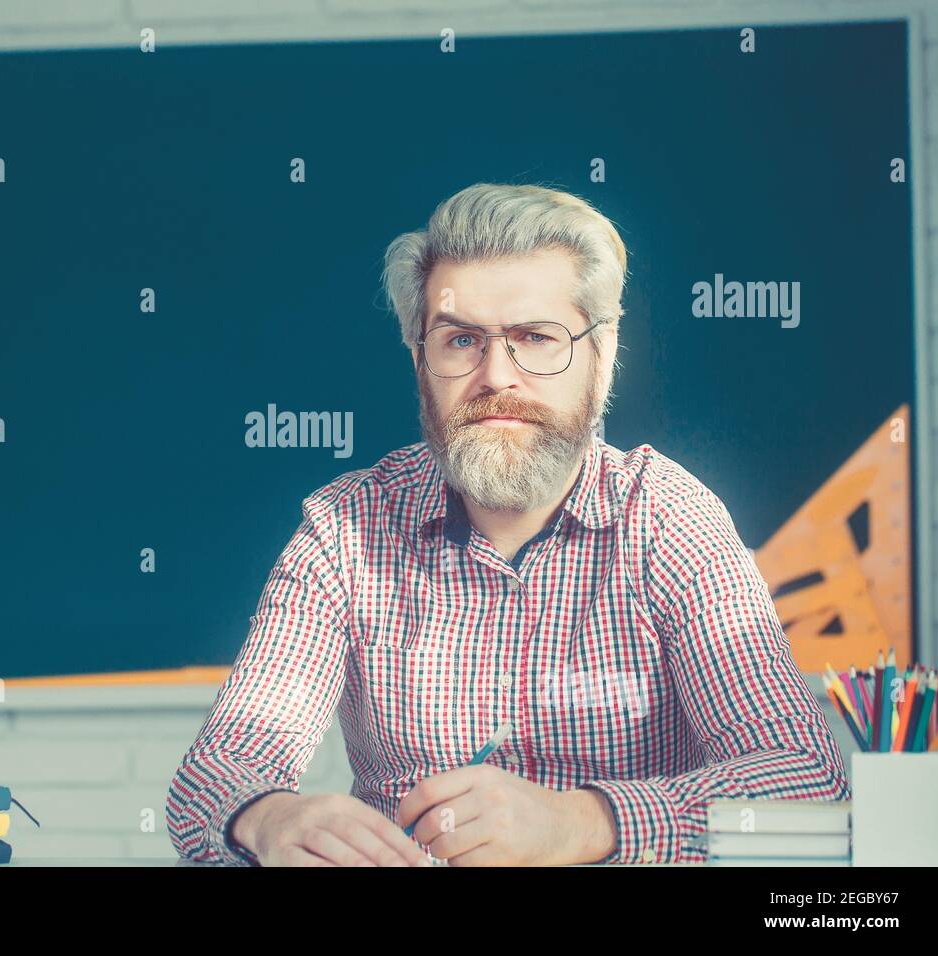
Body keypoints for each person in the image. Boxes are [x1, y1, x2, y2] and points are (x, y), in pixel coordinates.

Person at [165, 182, 850, 866]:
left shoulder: (670, 520)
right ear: (419, 359)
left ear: (602, 355)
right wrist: (269, 816)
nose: (497, 376)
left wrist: (581, 823)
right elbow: (217, 771)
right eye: (461, 340)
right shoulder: (346, 529)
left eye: (534, 337)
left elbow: (805, 777)